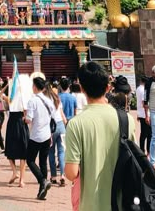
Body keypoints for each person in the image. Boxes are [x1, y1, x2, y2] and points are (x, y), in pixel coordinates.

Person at [65, 61, 136, 211]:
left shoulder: (76, 124)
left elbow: (71, 173)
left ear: (82, 88)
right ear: (108, 87)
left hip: (91, 204)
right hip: (121, 203)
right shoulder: (126, 119)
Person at [25, 76, 53, 200]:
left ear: (35, 87)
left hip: (36, 135)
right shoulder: (48, 100)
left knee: (30, 160)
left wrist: (24, 118)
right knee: (43, 161)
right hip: (47, 134)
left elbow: (29, 119)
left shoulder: (32, 101)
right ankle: (42, 190)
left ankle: (42, 181)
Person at [0, 80, 29, 187]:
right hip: (21, 123)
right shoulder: (23, 99)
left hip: (12, 123)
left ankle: (14, 172)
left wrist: (7, 84)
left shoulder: (10, 99)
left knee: (10, 149)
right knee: (23, 152)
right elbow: (26, 112)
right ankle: (21, 180)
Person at [43, 82, 67, 187]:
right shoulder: (57, 98)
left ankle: (53, 177)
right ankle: (63, 175)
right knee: (61, 152)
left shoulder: (44, 100)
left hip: (50, 127)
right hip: (61, 125)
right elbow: (62, 114)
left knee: (51, 152)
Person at [136, 75, 151, 155]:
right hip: (146, 114)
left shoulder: (138, 89)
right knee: (148, 134)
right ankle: (147, 152)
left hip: (141, 114)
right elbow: (143, 103)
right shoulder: (144, 90)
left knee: (144, 134)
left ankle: (143, 151)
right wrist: (147, 115)